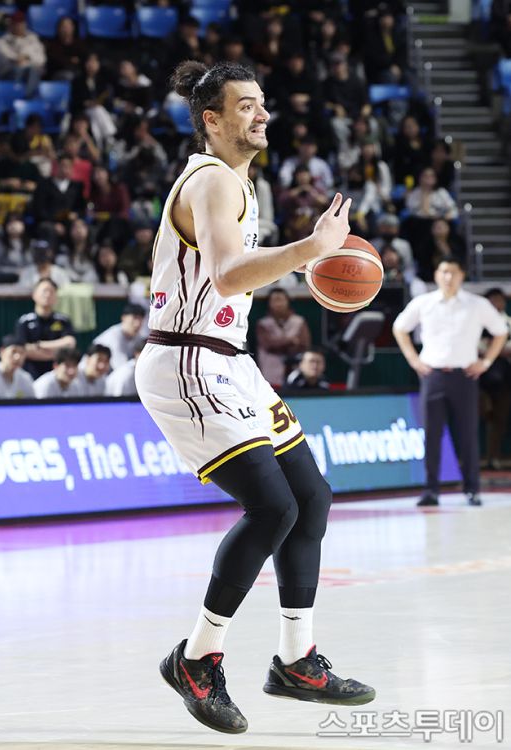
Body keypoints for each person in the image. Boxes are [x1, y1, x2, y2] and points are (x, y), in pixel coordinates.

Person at [135, 60, 374, 736]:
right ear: (212, 120)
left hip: (228, 361)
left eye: (262, 102)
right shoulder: (212, 179)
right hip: (187, 360)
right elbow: (226, 273)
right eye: (246, 105)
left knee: (311, 497)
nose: (262, 113)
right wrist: (313, 248)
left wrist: (308, 255)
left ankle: (297, 661)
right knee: (273, 507)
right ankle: (196, 658)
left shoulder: (238, 181)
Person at [393, 257, 508, 507]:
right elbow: (399, 327)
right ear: (436, 274)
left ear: (461, 275)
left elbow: (500, 331)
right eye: (443, 271)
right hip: (432, 375)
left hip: (464, 376)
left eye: (453, 272)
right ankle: (431, 490)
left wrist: (486, 362)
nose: (448, 277)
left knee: (468, 434)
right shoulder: (423, 303)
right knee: (432, 434)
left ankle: (472, 489)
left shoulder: (476, 304)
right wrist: (413, 359)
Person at [14, 277, 76, 380]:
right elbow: (23, 350)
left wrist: (39, 345)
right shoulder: (24, 321)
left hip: (57, 376)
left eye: (51, 291)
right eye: (44, 291)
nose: (47, 295)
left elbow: (70, 344)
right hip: (30, 374)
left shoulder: (63, 321)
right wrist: (56, 351)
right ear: (34, 295)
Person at [478, 288, 511, 470]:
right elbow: (475, 347)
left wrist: (497, 348)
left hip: (504, 378)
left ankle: (493, 457)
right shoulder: (477, 322)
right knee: (481, 413)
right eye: (494, 299)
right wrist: (491, 350)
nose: (498, 303)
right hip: (479, 377)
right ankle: (475, 458)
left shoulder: (508, 322)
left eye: (500, 300)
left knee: (500, 418)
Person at [256, 287, 312, 386]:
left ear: (287, 301)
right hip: (271, 373)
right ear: (269, 303)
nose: (278, 304)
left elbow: (304, 345)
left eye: (281, 299)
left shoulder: (299, 321)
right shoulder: (263, 324)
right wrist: (290, 341)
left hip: (296, 373)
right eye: (275, 300)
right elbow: (268, 345)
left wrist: (279, 344)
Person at [0, 11, 46, 97]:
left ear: (25, 24)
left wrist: (27, 56)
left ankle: (25, 97)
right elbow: (8, 56)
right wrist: (21, 58)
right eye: (16, 24)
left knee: (34, 71)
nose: (19, 27)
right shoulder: (2, 41)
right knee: (18, 69)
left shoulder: (33, 39)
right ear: (11, 25)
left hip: (30, 70)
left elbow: (42, 59)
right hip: (8, 72)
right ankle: (18, 96)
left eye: (21, 24)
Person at [0, 334, 35, 400]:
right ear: (2, 352)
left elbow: (33, 405)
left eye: (22, 353)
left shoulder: (26, 378)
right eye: (13, 351)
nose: (18, 357)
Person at [93, 303, 145, 369]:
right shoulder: (114, 336)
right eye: (135, 318)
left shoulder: (138, 336)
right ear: (124, 318)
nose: (137, 324)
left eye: (140, 319)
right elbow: (120, 367)